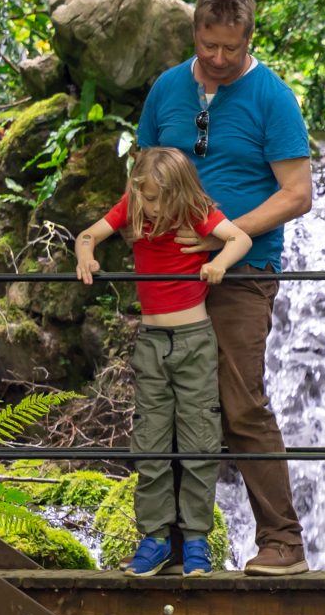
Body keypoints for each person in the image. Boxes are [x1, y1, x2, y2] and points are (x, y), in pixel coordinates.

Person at [135, 0, 313, 575]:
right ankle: (180, 543)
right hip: (171, 275)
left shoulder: (273, 98)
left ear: (248, 40)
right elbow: (143, 176)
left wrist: (224, 235)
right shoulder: (166, 89)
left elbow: (297, 194)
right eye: (209, 45)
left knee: (240, 403)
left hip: (244, 273)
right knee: (173, 407)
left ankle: (283, 543)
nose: (218, 58)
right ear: (194, 35)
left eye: (230, 49)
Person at [74, 149, 253, 577]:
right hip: (152, 341)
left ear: (179, 192)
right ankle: (153, 539)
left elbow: (240, 239)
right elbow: (86, 235)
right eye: (146, 198)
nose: (151, 208)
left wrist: (218, 262)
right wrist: (86, 254)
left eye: (156, 200)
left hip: (194, 341)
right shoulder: (134, 207)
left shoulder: (195, 210)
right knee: (150, 441)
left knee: (199, 439)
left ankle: (195, 541)